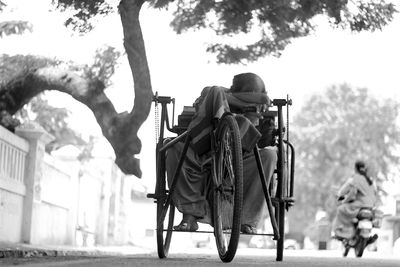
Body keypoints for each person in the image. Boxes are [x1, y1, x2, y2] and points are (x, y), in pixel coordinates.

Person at [165, 72, 278, 234]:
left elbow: (263, 139)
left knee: (269, 156)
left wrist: (256, 114)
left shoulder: (264, 108)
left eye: (256, 95)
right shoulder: (213, 94)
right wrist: (239, 102)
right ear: (236, 91)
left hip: (239, 161)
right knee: (173, 148)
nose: (254, 99)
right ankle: (189, 216)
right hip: (204, 153)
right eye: (249, 94)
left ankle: (244, 219)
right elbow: (210, 96)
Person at [332, 160, 379, 241]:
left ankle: (342, 233)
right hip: (371, 206)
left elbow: (352, 193)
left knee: (340, 209)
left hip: (360, 205)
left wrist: (344, 201)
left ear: (355, 169)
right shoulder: (371, 180)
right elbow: (375, 193)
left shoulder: (355, 178)